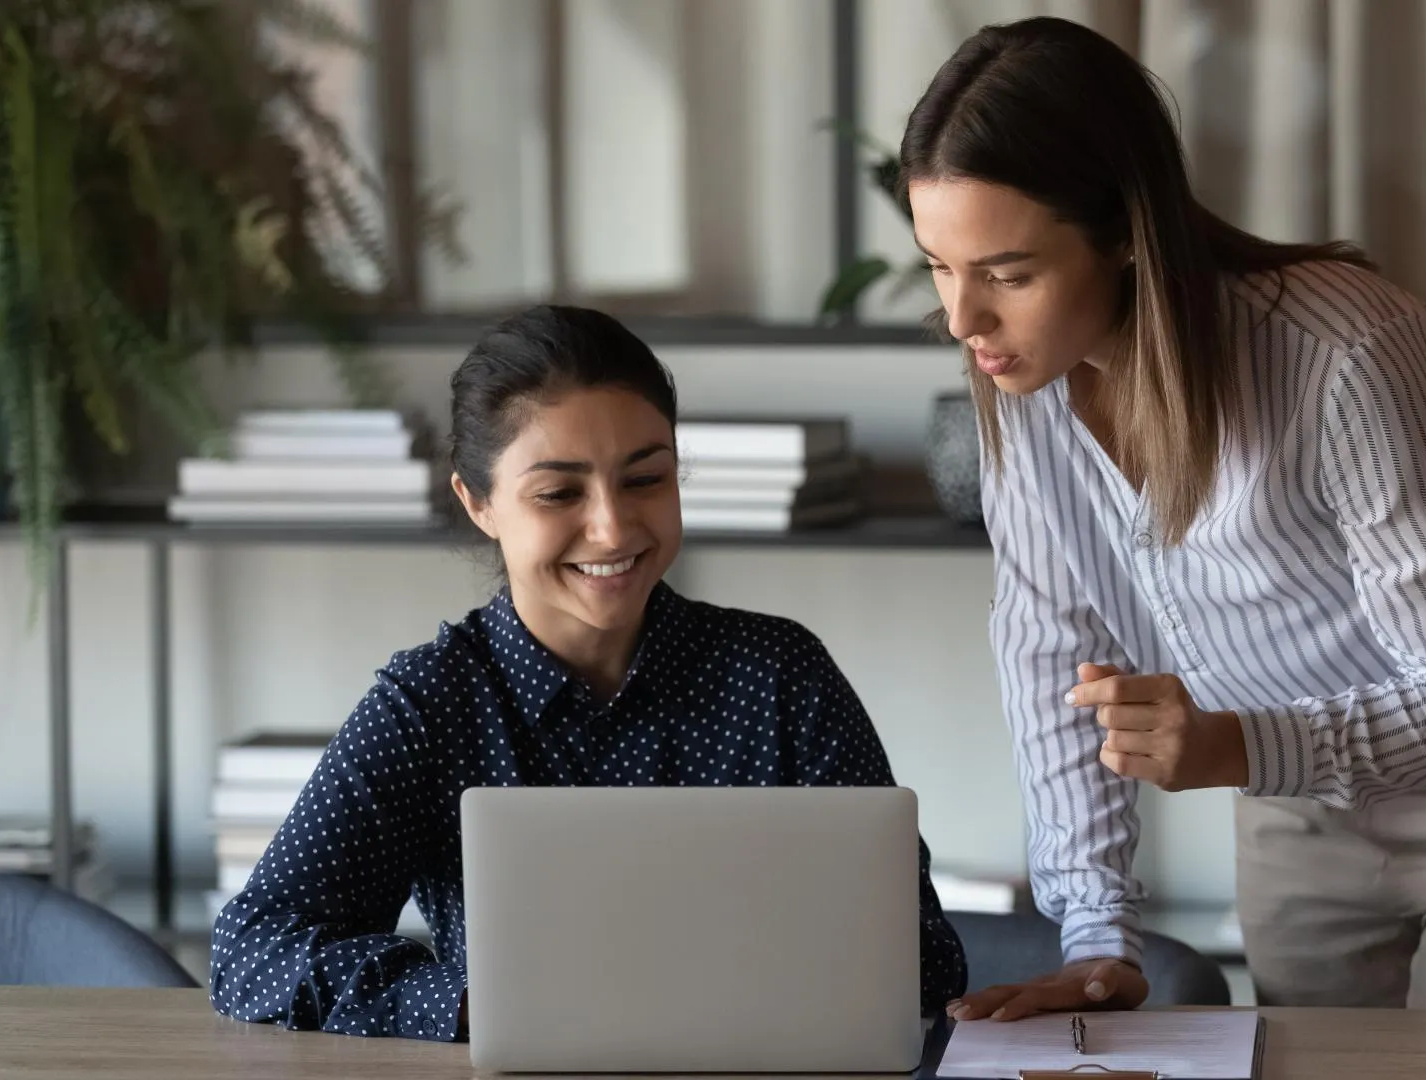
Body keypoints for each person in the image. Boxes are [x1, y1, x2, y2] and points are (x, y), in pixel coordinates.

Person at [905, 18, 1426, 1022]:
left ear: (1127, 230)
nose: (963, 321)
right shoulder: (1022, 391)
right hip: (1296, 813)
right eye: (938, 267)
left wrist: (1232, 751)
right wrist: (1096, 938)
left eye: (1007, 273)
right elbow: (1053, 659)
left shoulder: (1346, 352)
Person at [208, 305, 968, 1040]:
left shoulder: (781, 677)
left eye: (645, 479)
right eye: (559, 492)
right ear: (478, 503)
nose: (612, 526)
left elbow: (925, 958)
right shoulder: (432, 704)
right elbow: (251, 953)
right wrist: (480, 1001)